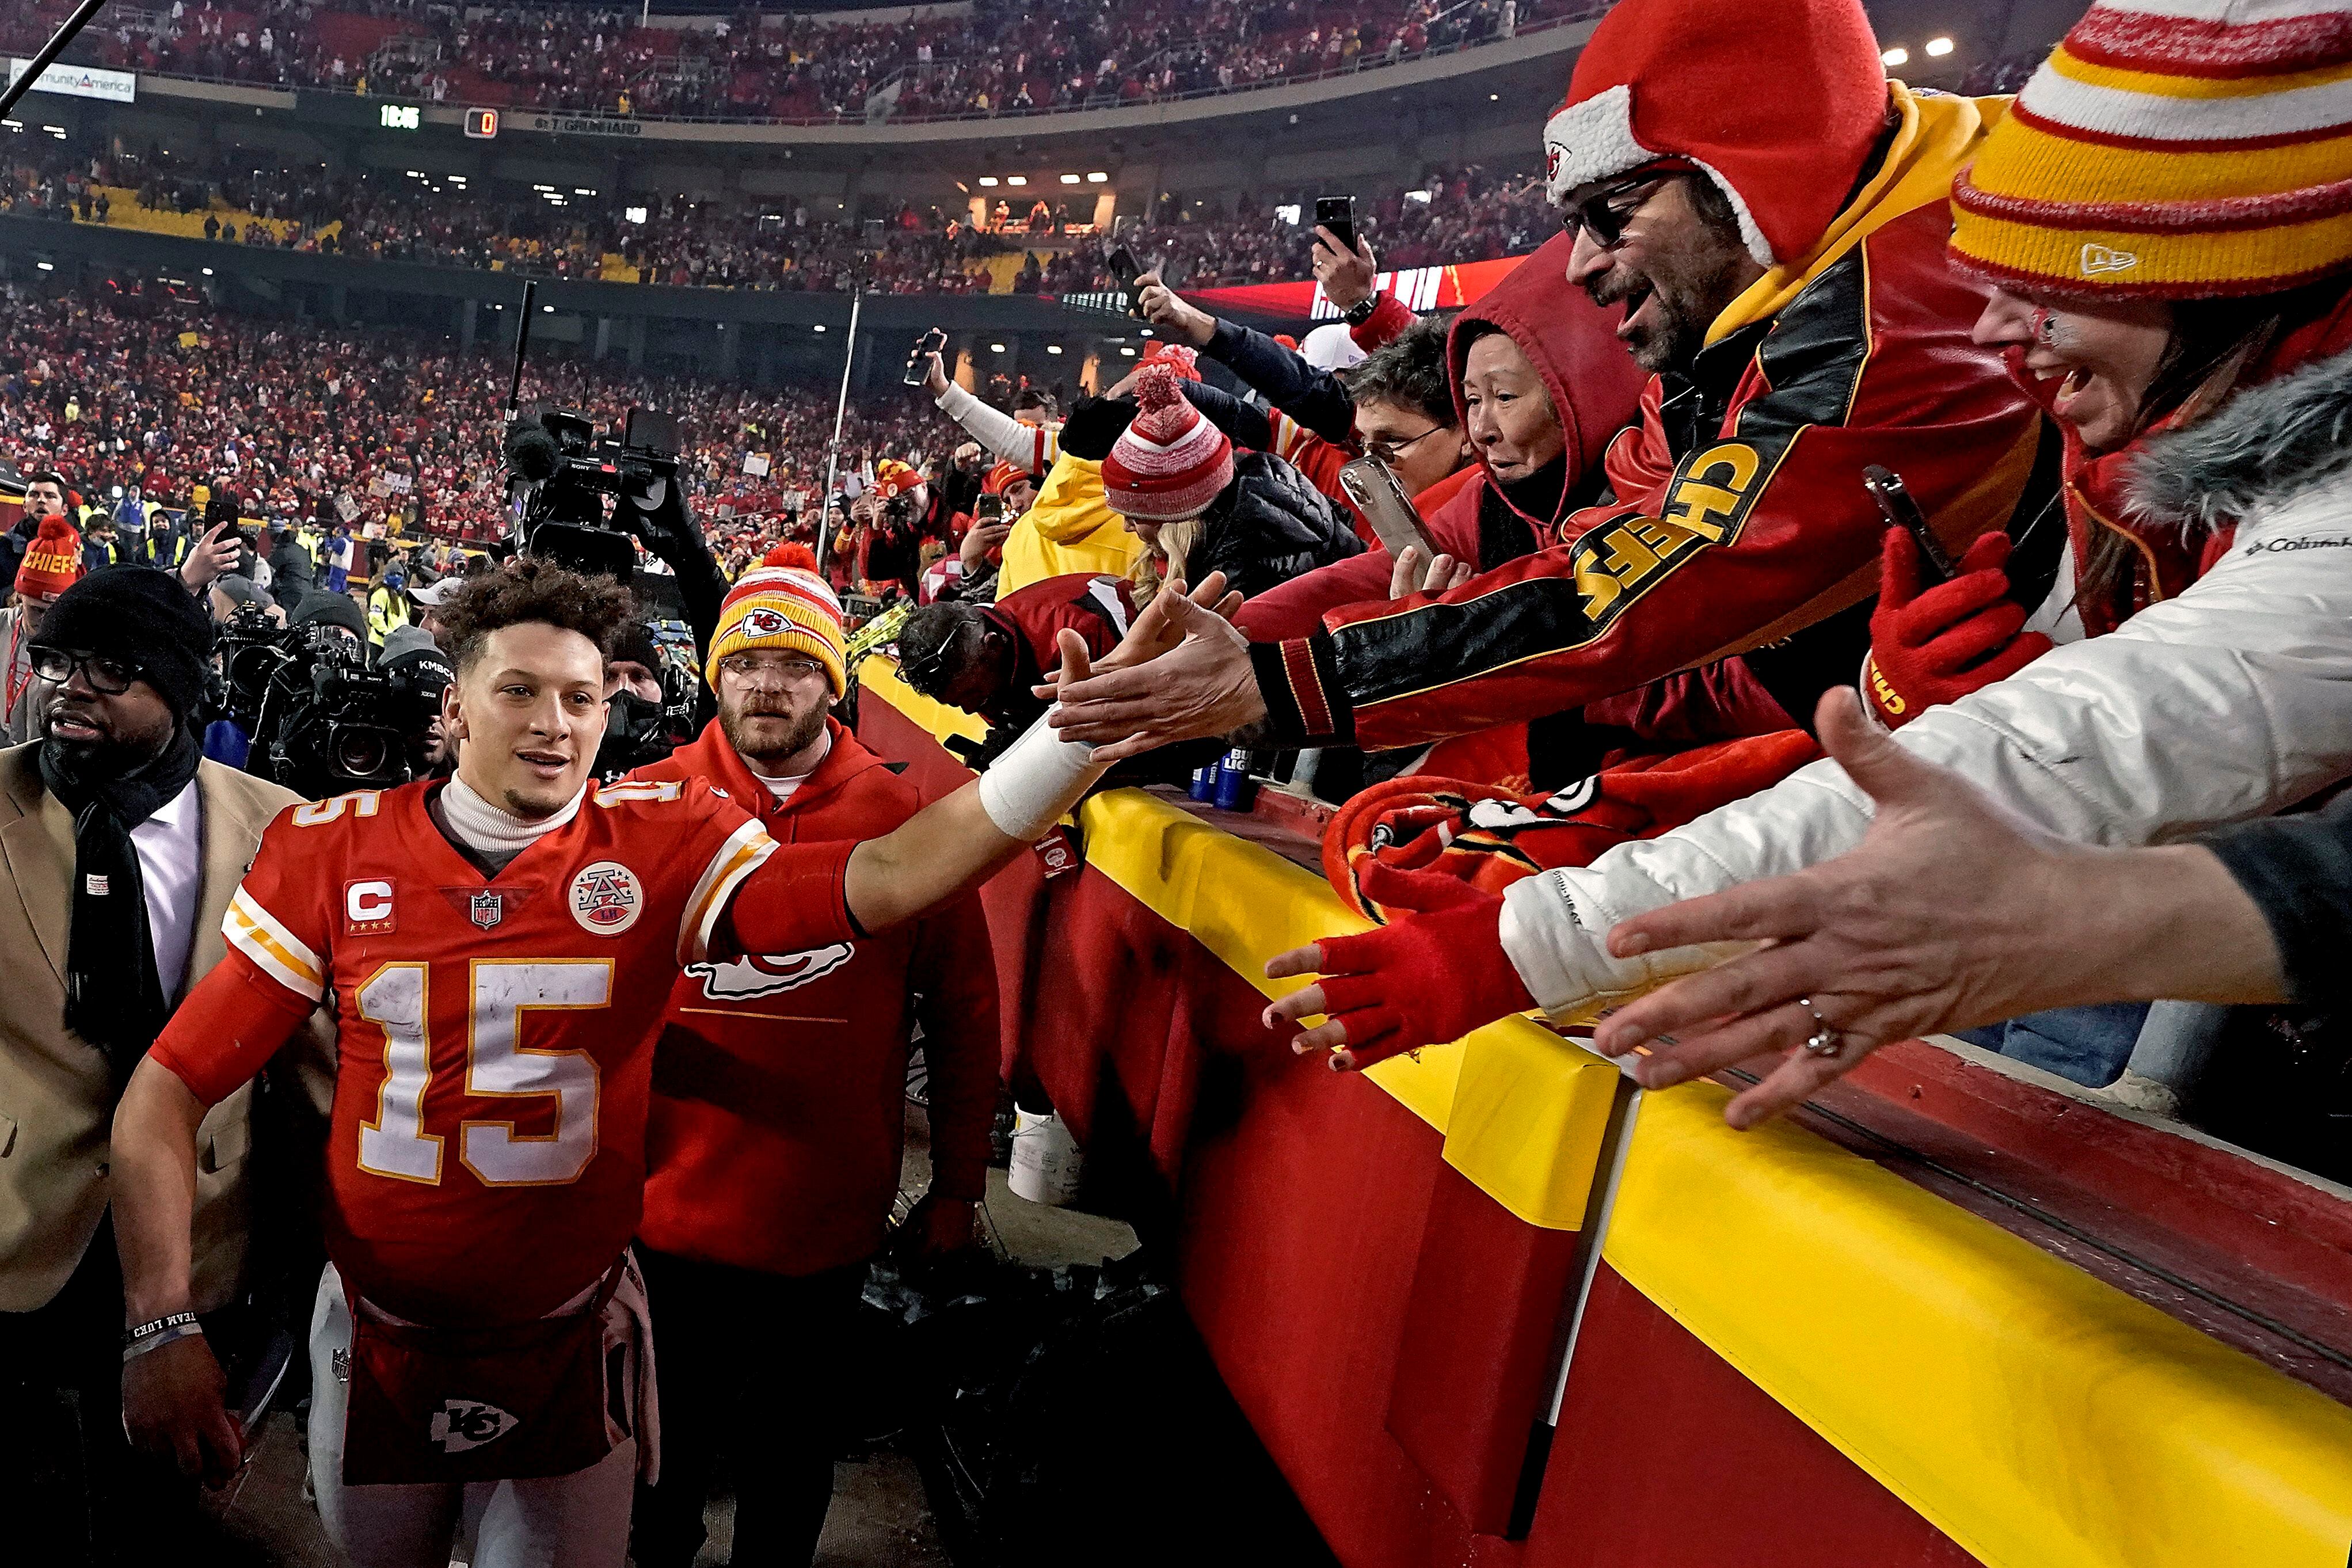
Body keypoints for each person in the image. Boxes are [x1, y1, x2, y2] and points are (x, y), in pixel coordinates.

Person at [1257, 0, 2352, 1089]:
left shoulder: (1896, 316)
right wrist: (1890, 700)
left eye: (2050, 284)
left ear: (2218, 281)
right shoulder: (2134, 399)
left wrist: (1537, 930)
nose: (1995, 329)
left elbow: (2109, 726)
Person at [109, 555, 1221, 1568]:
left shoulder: (663, 838)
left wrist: (1077, 738)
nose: (555, 723)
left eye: (583, 697)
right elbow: (170, 1083)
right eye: (520, 690)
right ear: (453, 705)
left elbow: (884, 875)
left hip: (574, 1324)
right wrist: (159, 1319)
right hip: (381, 1326)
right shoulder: (331, 848)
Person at [1052, 0, 2054, 763]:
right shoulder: (1750, 312)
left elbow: (1650, 586)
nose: (1577, 267)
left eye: (1610, 212)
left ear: (1755, 177)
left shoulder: (1906, 304)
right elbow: (1613, 540)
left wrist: (1283, 679)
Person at [628, 562, 1000, 1568]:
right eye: (744, 661)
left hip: (825, 1224)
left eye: (793, 663)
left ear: (832, 681)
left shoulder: (912, 817)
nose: (766, 684)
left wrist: (959, 1184)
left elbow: (966, 1016)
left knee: (789, 1478)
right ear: (714, 675)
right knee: (656, 1475)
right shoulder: (642, 803)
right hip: (661, 1216)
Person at [0, 569, 327, 1565]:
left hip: (200, 1232)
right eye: (55, 660)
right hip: (14, 1220)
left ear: (181, 687)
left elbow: (320, 1064)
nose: (68, 688)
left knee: (152, 1524)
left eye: (108, 668)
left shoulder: (287, 826)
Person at [1583, 688, 2300, 1129]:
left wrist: (1543, 937)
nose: (1484, 431)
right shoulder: (2068, 491)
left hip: (2176, 1008)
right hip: (1986, 938)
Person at [1102, 363, 1362, 604]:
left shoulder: (1239, 578)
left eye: (1136, 517)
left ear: (1181, 513)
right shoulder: (1258, 501)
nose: (1126, 527)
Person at [896, 572, 1144, 766]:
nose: (971, 709)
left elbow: (1136, 727)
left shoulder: (1079, 629)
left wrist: (1029, 753)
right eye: (956, 704)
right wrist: (1014, 738)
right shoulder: (983, 649)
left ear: (993, 644)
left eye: (973, 695)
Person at [3, 513, 81, 744]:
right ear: (20, 597)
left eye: (55, 610)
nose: (47, 620)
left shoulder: (81, 649)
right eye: (38, 610)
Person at [1, 470, 71, 592]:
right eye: (34, 495)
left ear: (64, 510)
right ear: (24, 506)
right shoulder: (4, 546)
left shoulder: (77, 549)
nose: (41, 500)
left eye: (50, 496)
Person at [367, 566, 412, 648]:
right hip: (380, 642)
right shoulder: (381, 593)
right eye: (393, 574)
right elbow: (375, 617)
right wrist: (387, 634)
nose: (396, 577)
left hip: (397, 642)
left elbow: (405, 618)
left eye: (399, 574)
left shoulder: (402, 596)